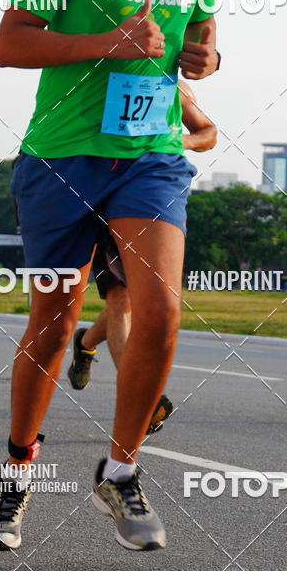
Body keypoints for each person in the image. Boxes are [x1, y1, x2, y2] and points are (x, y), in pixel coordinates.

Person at [0, 0, 220, 553]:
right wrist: (109, 41)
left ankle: (120, 471)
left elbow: (201, 30)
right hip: (63, 156)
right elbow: (10, 45)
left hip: (150, 156)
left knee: (162, 309)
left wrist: (206, 56)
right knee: (52, 327)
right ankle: (17, 473)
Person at [67, 79, 217, 435]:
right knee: (121, 299)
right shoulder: (98, 76)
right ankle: (143, 400)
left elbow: (208, 133)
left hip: (154, 199)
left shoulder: (173, 87)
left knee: (140, 300)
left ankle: (86, 343)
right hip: (106, 194)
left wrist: (176, 141)